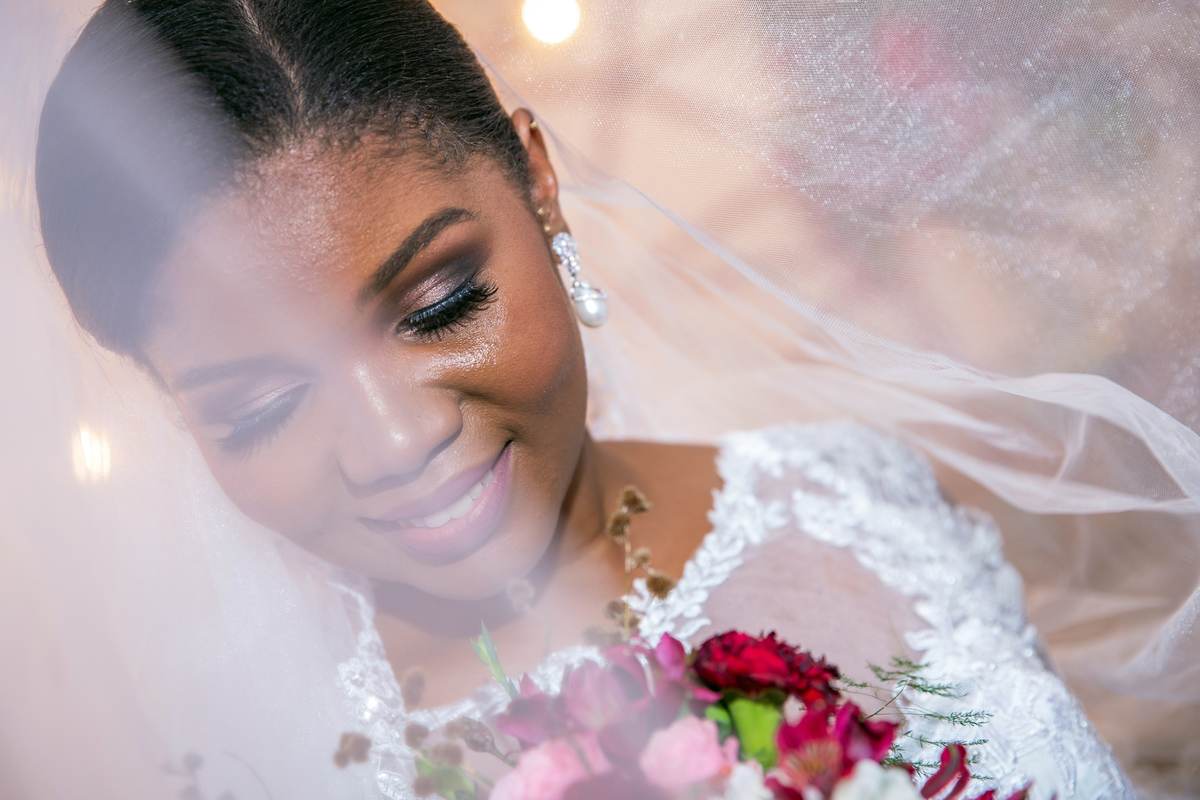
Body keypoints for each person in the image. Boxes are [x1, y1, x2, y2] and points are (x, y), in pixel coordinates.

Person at [3, 0, 1195, 798]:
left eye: (439, 304)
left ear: (538, 182)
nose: (394, 438)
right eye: (260, 406)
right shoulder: (285, 763)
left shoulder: (851, 487)